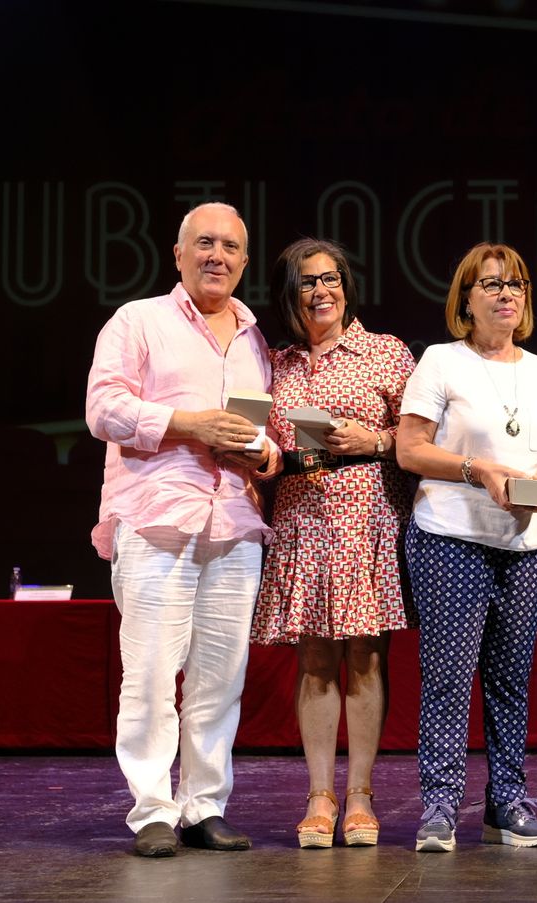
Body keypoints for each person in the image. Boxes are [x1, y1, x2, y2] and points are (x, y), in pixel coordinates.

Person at [85, 201, 279, 857]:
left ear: (244, 261)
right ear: (178, 253)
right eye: (203, 243)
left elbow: (268, 438)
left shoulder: (255, 339)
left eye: (229, 246)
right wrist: (189, 424)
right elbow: (103, 407)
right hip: (156, 515)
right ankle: (152, 811)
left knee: (221, 678)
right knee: (149, 672)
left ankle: (203, 805)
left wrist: (262, 454)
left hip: (233, 520)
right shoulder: (138, 320)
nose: (216, 255)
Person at [396, 242, 537, 852]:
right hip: (452, 538)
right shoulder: (441, 361)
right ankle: (441, 806)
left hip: (529, 543)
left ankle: (508, 803)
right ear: (465, 300)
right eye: (492, 284)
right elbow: (410, 450)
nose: (507, 294)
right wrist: (478, 471)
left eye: (517, 284)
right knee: (448, 677)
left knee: (510, 679)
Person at [249, 238, 416, 849]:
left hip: (367, 517)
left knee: (366, 658)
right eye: (306, 283)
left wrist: (368, 441)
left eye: (330, 279)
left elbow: (421, 437)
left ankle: (362, 796)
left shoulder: (385, 352)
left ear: (347, 285)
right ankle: (320, 794)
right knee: (316, 660)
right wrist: (267, 457)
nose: (321, 292)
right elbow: (260, 448)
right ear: (289, 295)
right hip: (303, 519)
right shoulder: (275, 362)